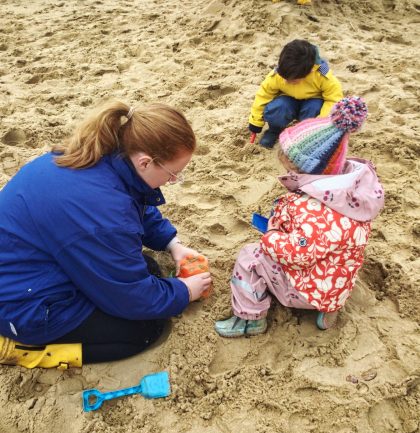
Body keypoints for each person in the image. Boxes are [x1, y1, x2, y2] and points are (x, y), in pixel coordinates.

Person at [0, 100, 212, 369]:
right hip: (22, 306)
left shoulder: (102, 154)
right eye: (173, 174)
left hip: (31, 265)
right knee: (144, 329)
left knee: (147, 268)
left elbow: (135, 202)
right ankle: (25, 351)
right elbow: (133, 299)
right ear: (146, 162)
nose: (173, 181)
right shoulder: (103, 211)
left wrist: (173, 244)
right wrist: (185, 292)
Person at [216, 97, 384, 337]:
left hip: (306, 290)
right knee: (342, 257)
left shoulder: (311, 208)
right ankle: (330, 309)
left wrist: (272, 236)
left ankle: (249, 318)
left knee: (250, 257)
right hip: (336, 284)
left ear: (308, 171)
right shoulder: (354, 195)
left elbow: (298, 254)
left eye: (290, 170)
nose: (286, 173)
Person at [248, 39, 343, 149]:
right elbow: (263, 95)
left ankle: (306, 135)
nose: (287, 81)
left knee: (314, 108)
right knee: (278, 107)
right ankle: (274, 131)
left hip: (312, 101)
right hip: (288, 101)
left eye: (292, 80)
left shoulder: (322, 75)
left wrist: (320, 125)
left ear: (311, 70)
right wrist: (255, 122)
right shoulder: (278, 74)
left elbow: (333, 100)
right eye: (285, 78)